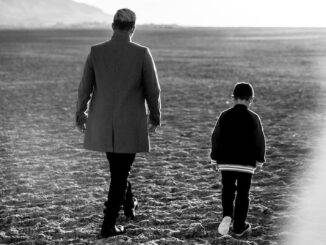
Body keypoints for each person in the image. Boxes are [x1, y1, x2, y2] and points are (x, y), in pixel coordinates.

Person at [75, 8, 161, 238]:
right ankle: (108, 225)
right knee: (120, 173)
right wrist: (155, 116)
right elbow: (153, 91)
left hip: (103, 124)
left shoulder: (96, 52)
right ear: (133, 28)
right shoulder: (142, 53)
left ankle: (129, 205)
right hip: (130, 124)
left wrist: (80, 112)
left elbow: (84, 87)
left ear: (113, 26)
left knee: (118, 169)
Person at [210, 82, 265, 237]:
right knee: (243, 193)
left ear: (233, 98)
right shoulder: (254, 118)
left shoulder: (224, 115)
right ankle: (239, 226)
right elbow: (260, 140)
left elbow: (215, 137)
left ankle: (227, 215)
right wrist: (259, 160)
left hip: (226, 162)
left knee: (227, 189)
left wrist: (214, 158)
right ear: (251, 99)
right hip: (246, 164)